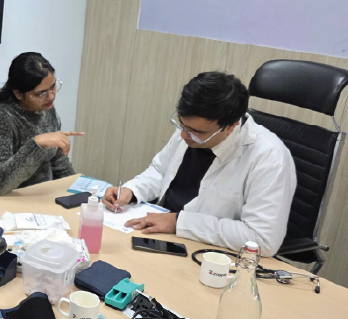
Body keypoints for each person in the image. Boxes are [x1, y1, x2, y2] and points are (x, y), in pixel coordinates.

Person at [102, 72, 296, 257]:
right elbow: (160, 171)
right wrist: (131, 190)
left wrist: (179, 223)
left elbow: (262, 239)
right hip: (159, 233)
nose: (184, 135)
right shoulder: (190, 130)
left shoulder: (269, 157)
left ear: (230, 126)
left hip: (208, 252)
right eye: (181, 125)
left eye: (196, 132)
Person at [0, 52, 84, 195]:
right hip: (10, 200)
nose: (51, 96)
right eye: (40, 93)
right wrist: (36, 144)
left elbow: (59, 164)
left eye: (53, 87)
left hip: (43, 196)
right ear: (18, 94)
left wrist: (86, 193)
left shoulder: (47, 110)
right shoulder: (0, 117)